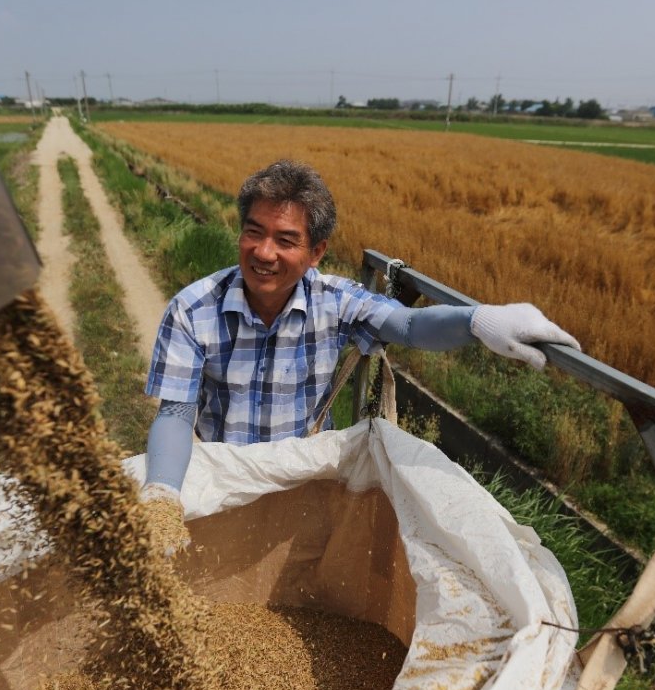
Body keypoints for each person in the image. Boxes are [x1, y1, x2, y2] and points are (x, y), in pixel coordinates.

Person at [139, 159, 579, 533]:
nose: (264, 252)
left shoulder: (335, 301)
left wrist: (478, 320)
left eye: (286, 240)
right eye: (254, 232)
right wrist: (161, 493)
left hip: (303, 478)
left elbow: (407, 325)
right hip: (223, 478)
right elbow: (176, 414)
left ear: (316, 253)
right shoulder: (193, 310)